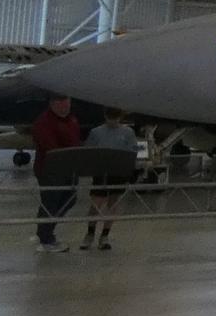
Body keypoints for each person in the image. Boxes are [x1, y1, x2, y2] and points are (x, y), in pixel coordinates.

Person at [80, 109, 137, 251]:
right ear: (105, 116)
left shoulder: (128, 132)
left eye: (116, 117)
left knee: (113, 203)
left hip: (118, 173)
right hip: (101, 172)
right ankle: (90, 233)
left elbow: (133, 150)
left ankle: (105, 235)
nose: (113, 121)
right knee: (96, 203)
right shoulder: (96, 132)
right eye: (110, 117)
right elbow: (89, 151)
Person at [30, 94, 82, 251]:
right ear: (52, 104)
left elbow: (75, 140)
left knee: (69, 199)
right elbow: (50, 148)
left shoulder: (72, 120)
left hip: (70, 169)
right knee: (51, 201)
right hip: (50, 170)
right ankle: (45, 237)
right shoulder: (44, 122)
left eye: (68, 103)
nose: (66, 106)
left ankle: (46, 229)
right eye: (62, 103)